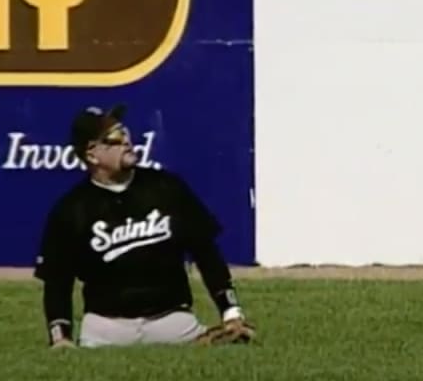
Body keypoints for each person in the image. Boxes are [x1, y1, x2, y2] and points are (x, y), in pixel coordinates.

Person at [33, 104, 256, 348]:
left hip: (172, 321)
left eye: (125, 132)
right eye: (115, 138)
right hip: (105, 329)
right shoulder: (71, 208)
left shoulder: (166, 188)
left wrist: (231, 313)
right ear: (92, 154)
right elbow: (57, 281)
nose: (126, 141)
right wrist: (61, 337)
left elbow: (206, 252)